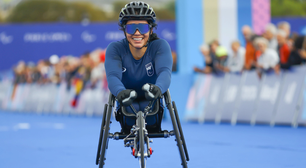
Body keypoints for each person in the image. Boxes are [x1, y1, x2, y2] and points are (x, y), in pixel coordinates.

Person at [105, 1, 172, 133]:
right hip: (126, 99)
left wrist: (158, 88)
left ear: (151, 29)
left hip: (152, 99)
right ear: (124, 30)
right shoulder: (115, 48)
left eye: (142, 28)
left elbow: (165, 71)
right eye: (131, 28)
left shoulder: (160, 46)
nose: (137, 33)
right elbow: (112, 76)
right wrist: (119, 91)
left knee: (153, 110)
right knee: (128, 111)